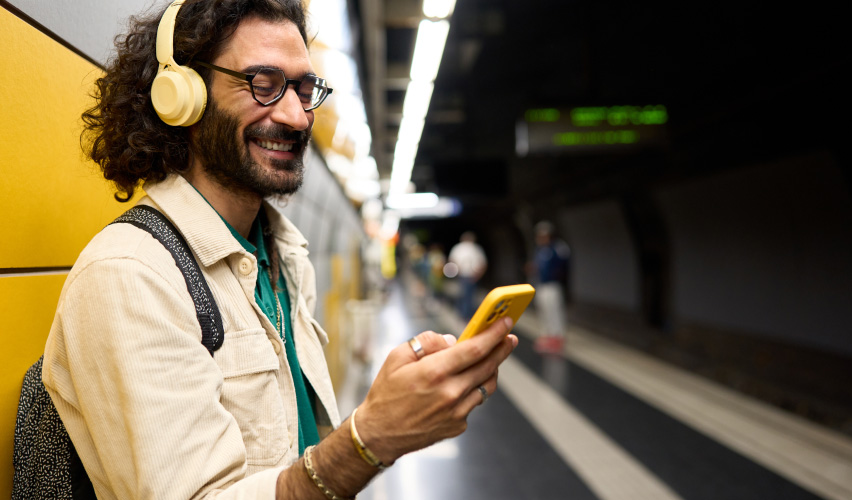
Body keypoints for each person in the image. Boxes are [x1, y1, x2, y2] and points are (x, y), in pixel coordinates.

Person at [42, 1, 517, 498]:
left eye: (304, 89)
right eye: (262, 84)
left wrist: (388, 410)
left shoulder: (282, 256)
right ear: (181, 96)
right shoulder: (132, 277)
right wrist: (371, 436)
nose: (296, 116)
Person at [529, 221, 570, 354]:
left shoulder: (558, 247)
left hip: (553, 284)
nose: (541, 238)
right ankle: (546, 335)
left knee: (554, 310)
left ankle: (557, 337)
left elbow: (563, 266)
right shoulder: (539, 250)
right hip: (541, 284)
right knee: (543, 310)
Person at [447, 231, 488, 319]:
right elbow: (483, 264)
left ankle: (463, 314)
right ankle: (466, 315)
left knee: (463, 295)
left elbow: (452, 261)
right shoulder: (477, 248)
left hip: (463, 275)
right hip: (472, 275)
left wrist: (456, 272)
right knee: (469, 296)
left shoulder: (458, 248)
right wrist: (478, 275)